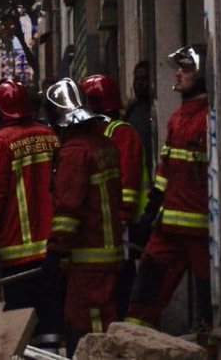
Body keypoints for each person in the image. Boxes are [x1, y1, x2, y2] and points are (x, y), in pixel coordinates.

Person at [126, 46, 213, 333]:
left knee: (209, 309)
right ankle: (135, 347)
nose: (177, 74)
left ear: (201, 76)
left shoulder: (208, 118)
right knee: (144, 296)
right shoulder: (177, 119)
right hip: (170, 230)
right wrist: (150, 213)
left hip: (202, 233)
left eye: (186, 70)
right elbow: (164, 174)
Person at [0, 81, 63, 351]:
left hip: (17, 248)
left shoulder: (1, 142)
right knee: (50, 313)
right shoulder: (50, 136)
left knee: (20, 314)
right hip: (53, 245)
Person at [44, 78, 124, 353]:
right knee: (105, 317)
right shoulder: (105, 146)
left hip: (87, 258)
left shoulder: (75, 152)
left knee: (89, 325)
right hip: (110, 253)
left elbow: (69, 209)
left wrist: (56, 250)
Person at [81, 74, 147, 316]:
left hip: (122, 228)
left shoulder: (121, 133)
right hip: (104, 227)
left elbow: (128, 184)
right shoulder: (101, 133)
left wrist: (122, 217)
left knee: (120, 287)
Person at [122, 61, 155, 176]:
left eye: (144, 79)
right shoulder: (130, 111)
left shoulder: (155, 111)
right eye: (137, 79)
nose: (140, 83)